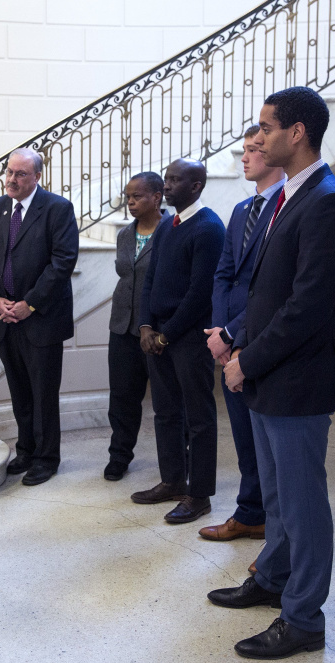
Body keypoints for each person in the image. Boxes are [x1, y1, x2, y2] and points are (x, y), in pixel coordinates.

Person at [210, 87, 335, 660]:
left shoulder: (330, 201)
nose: (259, 137)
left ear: (296, 133)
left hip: (298, 380)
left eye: (266, 127)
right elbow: (265, 294)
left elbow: (306, 307)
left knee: (302, 505)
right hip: (272, 375)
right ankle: (272, 578)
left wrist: (246, 358)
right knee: (275, 499)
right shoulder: (284, 198)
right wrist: (238, 342)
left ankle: (303, 619)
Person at [199, 125, 284, 545]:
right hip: (228, 344)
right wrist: (219, 333)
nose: (245, 157)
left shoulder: (286, 208)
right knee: (245, 443)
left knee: (265, 446)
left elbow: (272, 288)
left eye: (253, 150)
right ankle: (250, 513)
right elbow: (224, 274)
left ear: (273, 153)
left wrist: (233, 332)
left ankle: (269, 522)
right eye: (244, 149)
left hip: (261, 341)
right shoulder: (240, 211)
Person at [0, 148, 79, 487]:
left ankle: (47, 459)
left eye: (20, 174)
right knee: (19, 392)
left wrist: (29, 303)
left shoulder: (58, 209)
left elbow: (62, 262)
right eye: (9, 172)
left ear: (37, 176)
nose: (11, 179)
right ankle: (26, 451)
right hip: (5, 318)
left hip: (41, 319)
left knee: (43, 393)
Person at [131, 158, 224, 523]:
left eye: (174, 180)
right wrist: (144, 327)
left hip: (188, 338)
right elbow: (150, 280)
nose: (166, 186)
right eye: (166, 179)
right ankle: (172, 480)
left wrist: (165, 334)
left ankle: (199, 494)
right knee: (166, 412)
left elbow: (200, 293)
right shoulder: (168, 225)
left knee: (199, 417)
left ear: (196, 185)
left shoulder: (209, 228)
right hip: (159, 336)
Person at [103, 172, 172, 481]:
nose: (130, 202)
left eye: (137, 196)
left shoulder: (172, 231)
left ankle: (175, 460)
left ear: (157, 197)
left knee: (166, 398)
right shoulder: (125, 235)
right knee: (122, 396)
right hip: (122, 326)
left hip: (158, 330)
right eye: (128, 196)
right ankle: (119, 455)